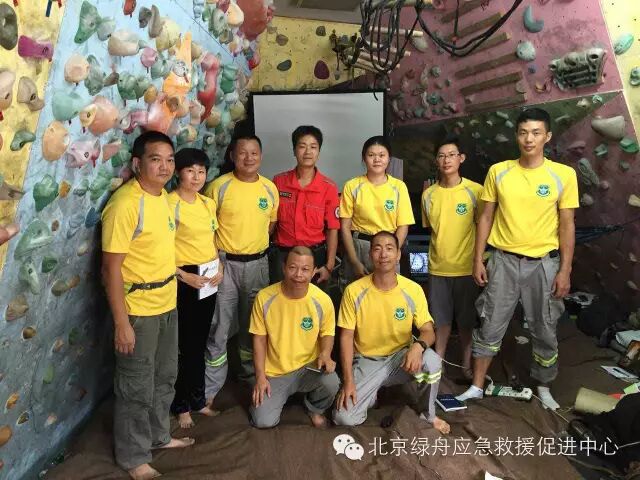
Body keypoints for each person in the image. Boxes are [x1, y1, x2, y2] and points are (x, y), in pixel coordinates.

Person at [456, 108, 578, 410]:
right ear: (516, 136)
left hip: (543, 264)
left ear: (547, 136)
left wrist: (565, 270)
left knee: (545, 327)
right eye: (523, 132)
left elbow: (567, 225)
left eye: (536, 133)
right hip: (503, 261)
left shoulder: (563, 175)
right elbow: (485, 217)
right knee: (490, 323)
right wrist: (477, 259)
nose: (529, 139)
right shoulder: (499, 171)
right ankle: (476, 385)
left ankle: (544, 386)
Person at [101, 131, 193, 480]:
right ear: (138, 163)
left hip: (166, 302)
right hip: (138, 310)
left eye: (170, 160)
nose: (165, 166)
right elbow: (110, 269)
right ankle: (133, 457)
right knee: (135, 386)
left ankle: (158, 436)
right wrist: (122, 323)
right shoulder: (126, 203)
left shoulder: (163, 198)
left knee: (165, 376)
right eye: (156, 159)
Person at [333, 231, 450, 434]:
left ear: (398, 255)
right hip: (367, 360)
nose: (383, 254)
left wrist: (417, 347)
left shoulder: (412, 289)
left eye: (389, 248)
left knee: (432, 362)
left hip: (401, 358)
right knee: (343, 417)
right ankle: (370, 394)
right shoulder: (354, 291)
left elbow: (428, 331)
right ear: (370, 255)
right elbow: (346, 337)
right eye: (377, 248)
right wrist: (348, 381)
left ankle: (428, 414)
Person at [202, 134, 279, 404]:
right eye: (243, 153)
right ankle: (210, 391)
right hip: (223, 266)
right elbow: (206, 229)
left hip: (258, 265)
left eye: (254, 153)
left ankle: (250, 379)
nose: (249, 158)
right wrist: (217, 260)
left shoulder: (269, 189)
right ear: (233, 156)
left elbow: (270, 226)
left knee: (253, 327)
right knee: (219, 328)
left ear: (261, 156)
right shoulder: (218, 187)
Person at [249, 246, 339, 428]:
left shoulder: (322, 300)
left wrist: (325, 353)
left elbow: (327, 333)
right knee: (263, 421)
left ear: (313, 272)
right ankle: (272, 398)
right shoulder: (264, 298)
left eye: (305, 269)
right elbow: (259, 339)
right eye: (293, 267)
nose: (298, 274)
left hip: (309, 368)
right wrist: (260, 377)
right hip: (275, 373)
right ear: (284, 268)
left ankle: (314, 408)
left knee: (332, 382)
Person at [168, 148, 224, 429]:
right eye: (190, 171)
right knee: (183, 345)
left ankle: (198, 400)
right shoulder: (169, 203)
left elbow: (212, 239)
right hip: (184, 277)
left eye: (201, 171)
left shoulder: (207, 203)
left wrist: (219, 266)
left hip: (208, 276)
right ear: (178, 172)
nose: (196, 176)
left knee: (199, 342)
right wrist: (183, 276)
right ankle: (181, 406)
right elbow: (160, 250)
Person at [421, 136, 483, 379]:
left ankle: (466, 365)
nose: (446, 160)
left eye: (451, 155)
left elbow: (483, 227)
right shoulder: (428, 195)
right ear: (436, 161)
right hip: (438, 268)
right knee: (441, 321)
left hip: (466, 268)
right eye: (441, 156)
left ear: (461, 158)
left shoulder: (475, 191)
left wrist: (478, 262)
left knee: (466, 322)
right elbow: (432, 229)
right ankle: (439, 362)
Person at [340, 136, 414, 284]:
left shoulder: (399, 187)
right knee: (356, 293)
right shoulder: (352, 186)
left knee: (388, 291)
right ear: (364, 158)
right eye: (371, 155)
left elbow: (403, 225)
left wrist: (394, 250)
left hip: (388, 247)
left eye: (382, 155)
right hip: (359, 246)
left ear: (389, 158)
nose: (377, 160)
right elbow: (345, 227)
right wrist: (354, 261)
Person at [271, 125, 340, 285]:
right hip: (283, 258)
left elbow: (332, 229)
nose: (308, 152)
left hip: (315, 258)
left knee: (315, 300)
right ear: (294, 150)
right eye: (302, 146)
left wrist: (329, 266)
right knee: (280, 299)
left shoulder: (328, 187)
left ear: (319, 152)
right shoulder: (279, 182)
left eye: (313, 147)